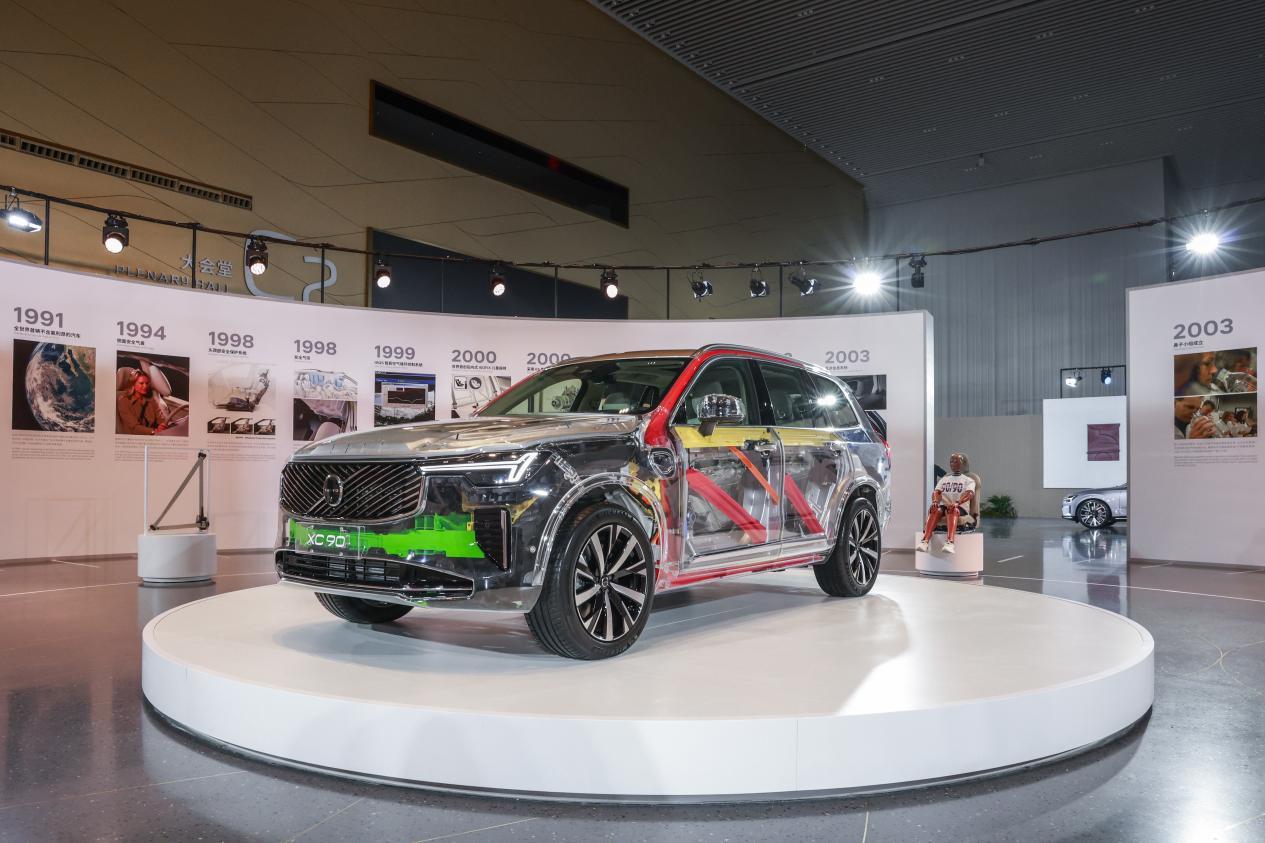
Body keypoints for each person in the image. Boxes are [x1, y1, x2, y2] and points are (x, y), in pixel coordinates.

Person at [917, 452, 975, 555]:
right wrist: (935, 501)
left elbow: (969, 493)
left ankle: (950, 543)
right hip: (945, 505)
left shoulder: (969, 480)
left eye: (956, 461)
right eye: (951, 461)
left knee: (952, 509)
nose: (953, 463)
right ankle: (925, 541)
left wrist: (958, 502)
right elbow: (937, 492)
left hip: (960, 507)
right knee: (935, 509)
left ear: (962, 464)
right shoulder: (944, 479)